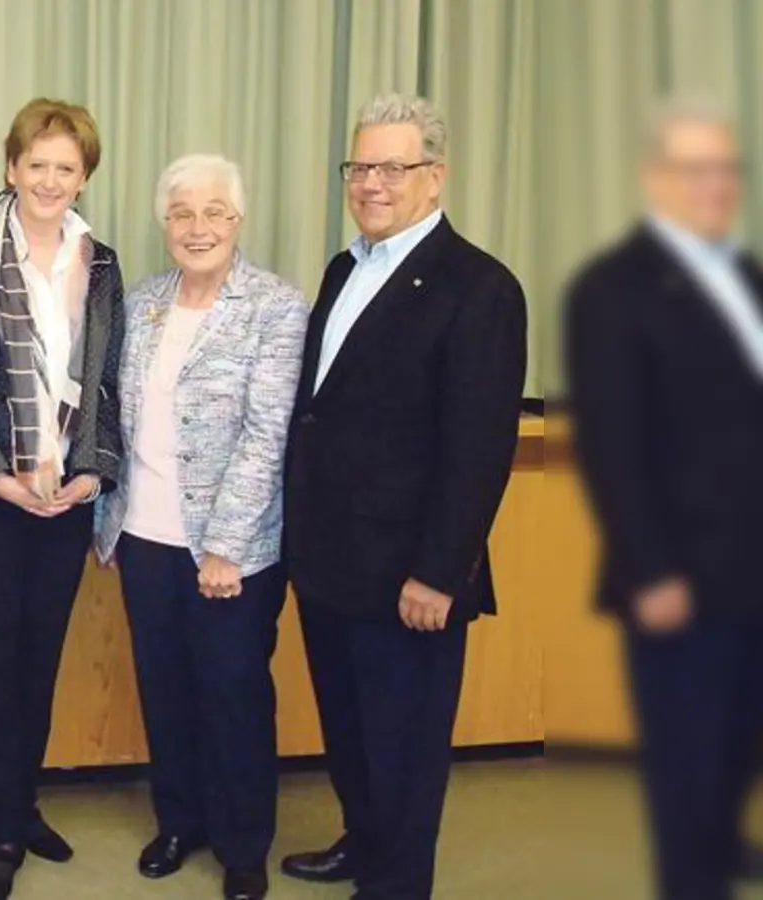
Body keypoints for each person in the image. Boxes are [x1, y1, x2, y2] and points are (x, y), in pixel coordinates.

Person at [278, 93, 526, 900]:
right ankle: (364, 842)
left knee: (405, 748)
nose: (372, 184)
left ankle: (397, 885)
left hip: (407, 575)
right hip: (330, 562)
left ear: (435, 176)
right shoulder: (345, 267)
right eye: (360, 166)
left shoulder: (480, 287)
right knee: (351, 734)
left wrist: (439, 572)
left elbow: (479, 447)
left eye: (393, 167)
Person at [0, 97, 125, 900]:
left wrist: (95, 470)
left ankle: (23, 801)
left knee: (39, 660)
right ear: (11, 168)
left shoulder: (101, 262)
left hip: (66, 496)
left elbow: (108, 383)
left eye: (66, 168)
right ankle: (4, 827)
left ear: (84, 178)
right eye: (36, 164)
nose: (50, 179)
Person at [94, 154, 307, 900]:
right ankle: (179, 821)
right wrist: (110, 521)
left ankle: (244, 842)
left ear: (238, 221)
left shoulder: (276, 308)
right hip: (145, 538)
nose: (198, 227)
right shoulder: (145, 301)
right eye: (182, 213)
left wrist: (223, 546)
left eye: (214, 211)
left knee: (233, 691)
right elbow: (117, 416)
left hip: (231, 549)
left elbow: (266, 432)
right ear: (164, 224)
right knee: (166, 688)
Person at [565, 97, 763, 900]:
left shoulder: (745, 273)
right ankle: (694, 872)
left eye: (725, 168)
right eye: (693, 168)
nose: (713, 184)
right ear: (655, 177)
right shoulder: (613, 289)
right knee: (686, 756)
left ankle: (716, 840)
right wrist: (650, 571)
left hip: (753, 565)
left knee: (740, 740)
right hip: (681, 575)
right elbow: (613, 445)